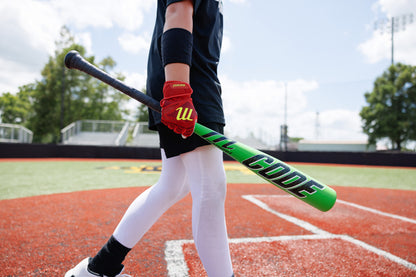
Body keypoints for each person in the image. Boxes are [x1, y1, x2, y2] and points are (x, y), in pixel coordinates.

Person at [65, 0, 234, 276]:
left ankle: (99, 268)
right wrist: (178, 90)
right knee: (211, 190)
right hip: (189, 85)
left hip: (189, 82)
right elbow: (177, 10)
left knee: (174, 184)